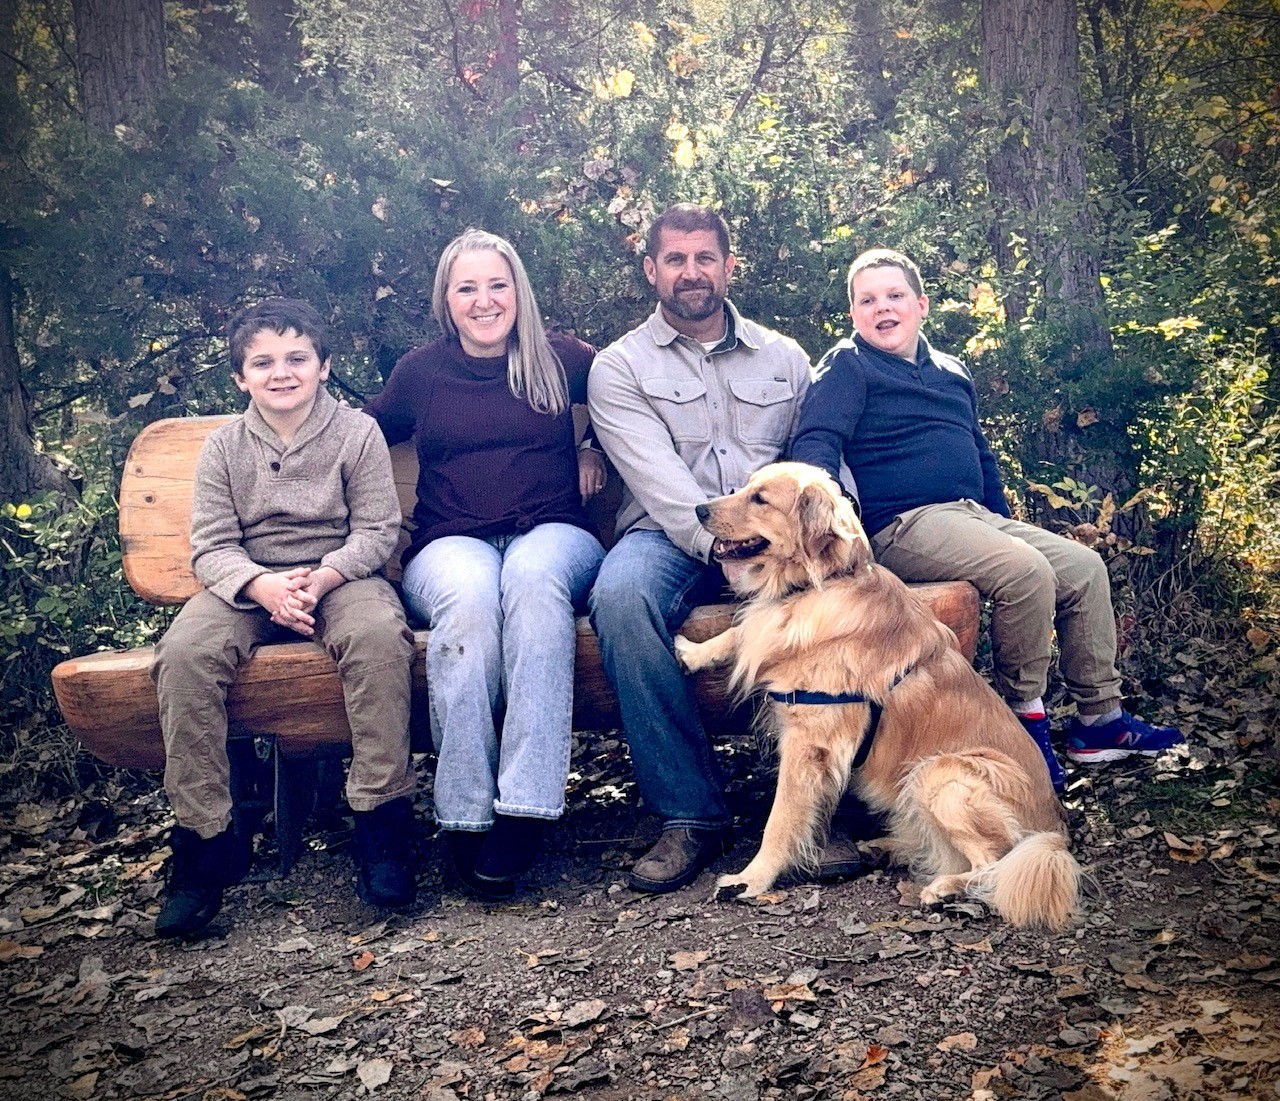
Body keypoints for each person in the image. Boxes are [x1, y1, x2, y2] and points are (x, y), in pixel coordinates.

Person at [791, 247, 1185, 792]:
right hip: (901, 522)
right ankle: (1024, 720)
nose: (882, 308)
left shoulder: (952, 371)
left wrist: (1002, 523)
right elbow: (817, 442)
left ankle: (1100, 721)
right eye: (867, 300)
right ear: (854, 314)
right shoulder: (847, 366)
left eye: (894, 295)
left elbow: (981, 458)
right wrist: (829, 523)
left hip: (971, 516)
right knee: (1026, 572)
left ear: (921, 304)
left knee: (1083, 566)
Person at [150, 299, 417, 938]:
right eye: (262, 363)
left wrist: (323, 577)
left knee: (380, 638)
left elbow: (378, 529)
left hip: (340, 577)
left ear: (324, 367)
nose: (281, 373)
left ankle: (381, 825)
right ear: (241, 378)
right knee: (184, 655)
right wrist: (263, 586)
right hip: (249, 584)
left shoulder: (357, 434)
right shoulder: (224, 447)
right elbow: (210, 546)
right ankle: (204, 840)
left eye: (297, 358)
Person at [364, 229, 606, 899]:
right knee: (469, 601)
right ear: (447, 298)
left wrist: (598, 451)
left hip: (553, 533)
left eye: (497, 284)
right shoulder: (421, 372)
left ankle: (525, 809)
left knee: (531, 581)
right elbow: (355, 435)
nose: (484, 299)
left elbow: (642, 395)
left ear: (518, 290)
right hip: (450, 542)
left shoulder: (560, 359)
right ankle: (465, 812)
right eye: (467, 287)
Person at [587, 203, 813, 893]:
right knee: (619, 599)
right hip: (670, 535)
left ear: (728, 266)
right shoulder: (619, 367)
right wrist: (731, 554)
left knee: (841, 599)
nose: (692, 272)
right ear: (652, 269)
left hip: (777, 537)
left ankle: (824, 810)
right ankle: (690, 814)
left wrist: (809, 548)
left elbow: (813, 461)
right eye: (676, 259)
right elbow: (660, 483)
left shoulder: (785, 357)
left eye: (705, 258)